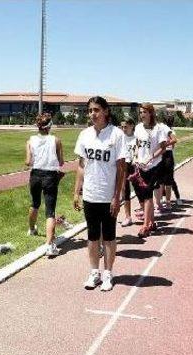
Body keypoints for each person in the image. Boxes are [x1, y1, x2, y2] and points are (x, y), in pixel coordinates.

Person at [73, 96, 127, 291]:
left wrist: (116, 196)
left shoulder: (116, 135)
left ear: (105, 111)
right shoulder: (85, 135)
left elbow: (121, 168)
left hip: (108, 196)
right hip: (90, 194)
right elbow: (81, 166)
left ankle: (108, 274)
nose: (92, 114)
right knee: (93, 236)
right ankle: (94, 272)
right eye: (90, 111)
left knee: (109, 236)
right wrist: (76, 192)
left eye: (96, 110)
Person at [25, 112, 64, 256]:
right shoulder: (56, 140)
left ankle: (32, 229)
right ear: (50, 126)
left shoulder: (30, 141)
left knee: (35, 203)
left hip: (35, 175)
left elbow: (28, 162)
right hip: (50, 176)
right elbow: (61, 162)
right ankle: (49, 245)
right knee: (50, 210)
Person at [132, 103, 168, 237]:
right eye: (141, 112)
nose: (142, 115)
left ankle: (145, 226)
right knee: (145, 195)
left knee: (147, 194)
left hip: (154, 166)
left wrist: (150, 158)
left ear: (151, 113)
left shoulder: (159, 129)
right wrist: (136, 157)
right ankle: (152, 223)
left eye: (145, 112)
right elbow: (137, 145)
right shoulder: (138, 128)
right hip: (141, 166)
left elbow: (163, 147)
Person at [159, 113, 182, 206]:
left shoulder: (172, 132)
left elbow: (172, 145)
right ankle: (164, 198)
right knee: (161, 180)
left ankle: (177, 197)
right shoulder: (161, 130)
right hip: (162, 155)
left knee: (170, 180)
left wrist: (165, 144)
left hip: (168, 155)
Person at [119, 116, 137, 227]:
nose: (123, 129)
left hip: (134, 165)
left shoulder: (137, 138)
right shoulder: (120, 138)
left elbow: (139, 152)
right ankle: (127, 216)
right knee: (125, 190)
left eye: (125, 127)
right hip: (123, 166)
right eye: (122, 127)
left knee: (140, 190)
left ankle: (145, 212)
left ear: (132, 126)